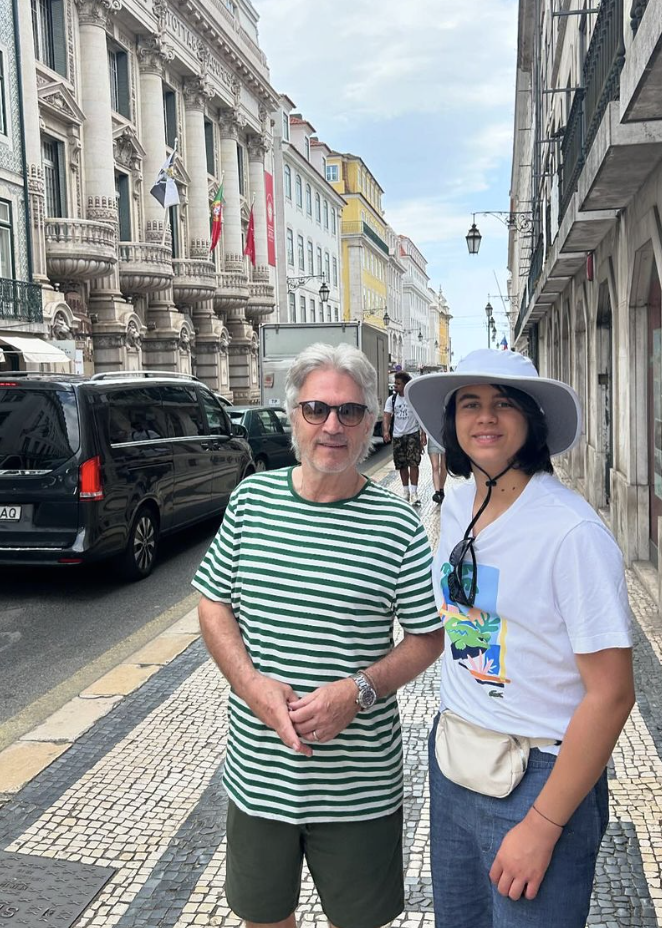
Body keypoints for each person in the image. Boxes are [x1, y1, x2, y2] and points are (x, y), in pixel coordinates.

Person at [193, 343, 444, 928]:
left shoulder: (398, 525)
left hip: (359, 789)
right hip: (259, 777)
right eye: (316, 409)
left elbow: (427, 637)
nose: (332, 425)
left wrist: (356, 691)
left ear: (370, 425)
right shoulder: (250, 502)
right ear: (293, 418)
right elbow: (212, 602)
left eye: (349, 412)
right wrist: (252, 685)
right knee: (264, 917)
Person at [406, 349, 634, 928]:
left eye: (504, 404)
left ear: (531, 420)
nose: (486, 418)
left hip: (538, 775)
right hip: (455, 758)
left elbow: (611, 695)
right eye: (471, 404)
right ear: (453, 422)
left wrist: (543, 824)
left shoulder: (572, 532)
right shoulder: (457, 506)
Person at [383, 371, 426, 506]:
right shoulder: (392, 400)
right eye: (395, 383)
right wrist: (385, 430)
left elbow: (421, 416)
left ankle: (414, 492)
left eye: (398, 384)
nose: (395, 386)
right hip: (398, 436)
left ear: (405, 385)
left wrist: (423, 434)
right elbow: (387, 415)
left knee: (413, 463)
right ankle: (405, 491)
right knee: (401, 464)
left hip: (412, 434)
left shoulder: (413, 398)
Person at [427, 437, 447, 504]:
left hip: (445, 437)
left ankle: (441, 488)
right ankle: (437, 492)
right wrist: (423, 434)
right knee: (435, 466)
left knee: (444, 466)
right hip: (433, 438)